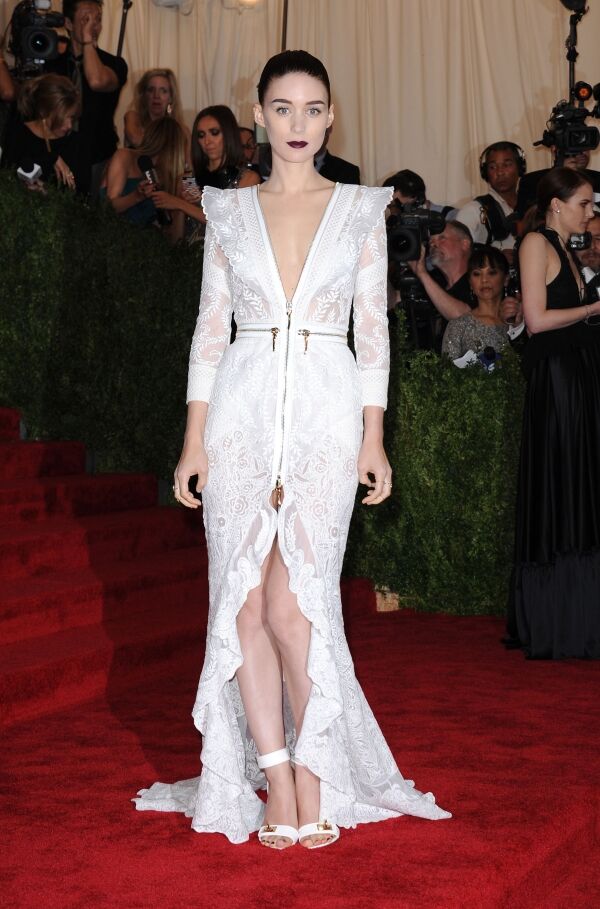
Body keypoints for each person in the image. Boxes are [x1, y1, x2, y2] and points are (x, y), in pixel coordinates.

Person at [134, 49, 451, 847]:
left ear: (331, 116)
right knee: (241, 602)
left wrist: (374, 435)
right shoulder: (228, 212)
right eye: (283, 108)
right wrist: (193, 440)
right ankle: (277, 777)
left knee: (293, 601)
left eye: (313, 109)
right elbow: (209, 330)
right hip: (238, 413)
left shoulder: (360, 209)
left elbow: (373, 333)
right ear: (260, 117)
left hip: (325, 416)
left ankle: (317, 769)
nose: (298, 124)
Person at [507, 168, 600, 659]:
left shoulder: (565, 248)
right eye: (584, 203)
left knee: (580, 485)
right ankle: (559, 617)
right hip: (558, 382)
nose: (591, 212)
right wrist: (594, 309)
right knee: (564, 483)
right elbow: (537, 321)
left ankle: (580, 614)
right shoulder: (535, 244)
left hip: (576, 377)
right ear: (557, 205)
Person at [47, 0, 128, 196]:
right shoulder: (52, 66)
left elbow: (96, 81)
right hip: (59, 154)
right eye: (86, 19)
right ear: (68, 23)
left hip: (98, 156)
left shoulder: (114, 63)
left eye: (98, 20)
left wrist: (87, 42)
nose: (94, 26)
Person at [151, 105, 260, 238]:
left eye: (214, 132)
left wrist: (180, 204)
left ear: (228, 134)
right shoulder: (189, 179)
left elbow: (230, 225)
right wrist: (181, 206)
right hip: (191, 250)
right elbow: (176, 239)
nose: (207, 141)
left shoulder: (247, 179)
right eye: (201, 135)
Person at [100, 117, 186, 236]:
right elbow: (108, 207)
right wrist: (136, 196)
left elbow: (174, 238)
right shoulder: (125, 156)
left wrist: (182, 205)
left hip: (144, 242)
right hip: (111, 236)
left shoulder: (172, 176)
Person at [2, 73, 81, 191]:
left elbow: (81, 194)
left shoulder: (76, 143)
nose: (69, 125)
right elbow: (7, 178)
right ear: (44, 111)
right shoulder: (19, 135)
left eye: (72, 117)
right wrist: (51, 158)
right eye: (61, 119)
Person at [456, 142, 525, 260]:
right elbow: (457, 251)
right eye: (492, 167)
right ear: (485, 173)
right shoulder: (473, 210)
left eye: (507, 165)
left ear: (520, 167)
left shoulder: (533, 206)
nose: (500, 172)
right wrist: (495, 258)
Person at [441, 246, 513, 360]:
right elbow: (447, 369)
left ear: (506, 279)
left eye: (491, 273)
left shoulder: (517, 323)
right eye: (477, 274)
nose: (484, 280)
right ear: (470, 282)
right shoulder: (459, 326)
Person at [123, 68, 191, 161]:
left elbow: (189, 166)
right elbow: (135, 139)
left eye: (163, 91)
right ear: (144, 95)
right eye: (151, 90)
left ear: (171, 97)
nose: (156, 96)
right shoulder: (133, 118)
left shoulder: (182, 130)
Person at [516, 149, 600, 220]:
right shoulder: (532, 180)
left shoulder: (598, 179)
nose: (581, 151)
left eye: (585, 145)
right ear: (554, 149)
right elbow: (525, 220)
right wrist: (563, 175)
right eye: (573, 142)